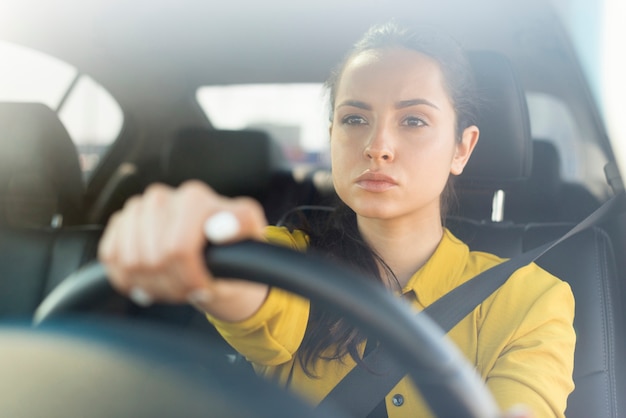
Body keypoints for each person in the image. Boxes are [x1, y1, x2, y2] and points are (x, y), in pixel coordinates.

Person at [98, 22, 575, 418]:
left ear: (461, 148)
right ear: (332, 136)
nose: (377, 146)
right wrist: (209, 254)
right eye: (353, 119)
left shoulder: (530, 298)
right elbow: (253, 296)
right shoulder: (285, 258)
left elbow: (526, 403)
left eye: (413, 121)